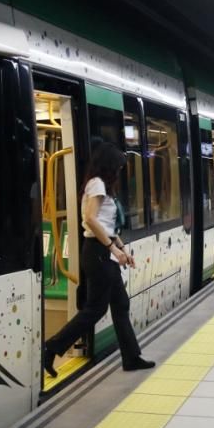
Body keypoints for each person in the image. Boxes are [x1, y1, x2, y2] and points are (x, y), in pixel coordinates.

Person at [43, 141, 154, 375]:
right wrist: (113, 250)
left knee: (120, 304)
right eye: (119, 167)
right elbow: (91, 219)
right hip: (98, 253)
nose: (121, 171)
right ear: (109, 166)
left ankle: (132, 357)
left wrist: (123, 250)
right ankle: (51, 347)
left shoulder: (101, 186)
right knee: (96, 309)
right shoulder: (97, 185)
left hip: (104, 251)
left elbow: (108, 226)